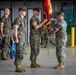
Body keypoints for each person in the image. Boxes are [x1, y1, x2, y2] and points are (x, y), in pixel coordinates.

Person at [13, 7, 27, 72]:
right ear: (20, 12)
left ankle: (20, 66)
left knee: (21, 52)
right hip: (19, 38)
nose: (25, 12)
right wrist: (16, 38)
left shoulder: (23, 19)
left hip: (22, 38)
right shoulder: (17, 19)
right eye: (24, 11)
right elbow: (15, 30)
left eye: (25, 11)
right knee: (18, 52)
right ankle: (17, 67)